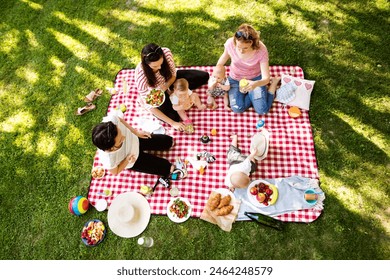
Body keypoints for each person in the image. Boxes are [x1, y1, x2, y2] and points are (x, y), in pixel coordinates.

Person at [135, 43, 209, 132]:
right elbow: (151, 107)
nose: (159, 67)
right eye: (155, 66)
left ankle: (176, 91)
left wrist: (167, 87)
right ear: (146, 64)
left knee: (204, 76)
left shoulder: (167, 53)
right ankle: (142, 101)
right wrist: (173, 123)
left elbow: (173, 75)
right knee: (175, 118)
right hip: (157, 93)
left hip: (170, 81)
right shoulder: (141, 77)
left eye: (161, 63)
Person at [216, 23, 277, 115]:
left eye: (245, 48)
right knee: (237, 108)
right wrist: (217, 75)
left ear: (252, 43)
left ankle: (273, 85)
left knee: (262, 110)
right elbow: (221, 61)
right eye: (238, 47)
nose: (241, 51)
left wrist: (255, 84)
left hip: (255, 80)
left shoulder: (261, 50)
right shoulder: (230, 43)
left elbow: (266, 78)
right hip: (235, 79)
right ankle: (253, 95)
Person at [92, 114, 174, 177]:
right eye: (120, 140)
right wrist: (126, 161)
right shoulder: (108, 160)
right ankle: (165, 167)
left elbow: (120, 120)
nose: (124, 137)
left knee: (167, 141)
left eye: (121, 133)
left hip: (136, 139)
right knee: (165, 168)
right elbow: (115, 172)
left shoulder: (112, 121)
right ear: (112, 148)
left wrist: (136, 132)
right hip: (133, 158)